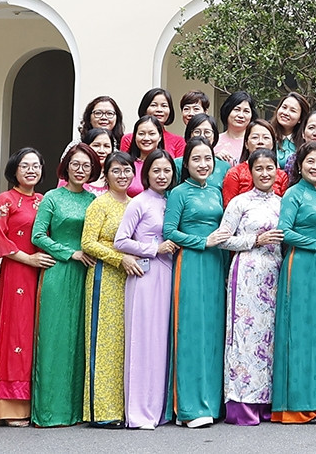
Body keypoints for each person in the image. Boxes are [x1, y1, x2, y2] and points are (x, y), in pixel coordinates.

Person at [217, 148, 286, 424]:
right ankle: (241, 405)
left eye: (270, 168)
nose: (265, 173)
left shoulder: (283, 203)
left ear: (277, 171)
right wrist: (253, 240)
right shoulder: (239, 203)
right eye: (259, 168)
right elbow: (221, 239)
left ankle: (267, 402)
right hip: (246, 275)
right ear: (250, 171)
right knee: (245, 339)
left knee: (269, 340)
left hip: (275, 275)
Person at [29, 145, 97, 427]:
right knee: (55, 338)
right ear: (65, 166)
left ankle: (75, 410)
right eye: (76, 164)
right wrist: (69, 252)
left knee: (80, 338)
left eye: (86, 166)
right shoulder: (52, 198)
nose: (80, 170)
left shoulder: (93, 200)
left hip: (87, 273)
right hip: (59, 272)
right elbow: (37, 235)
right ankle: (49, 411)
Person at [164, 139, 227, 428]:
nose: (203, 164)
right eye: (197, 159)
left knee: (212, 333)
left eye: (208, 159)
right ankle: (188, 408)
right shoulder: (178, 193)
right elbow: (169, 231)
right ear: (185, 163)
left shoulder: (215, 192)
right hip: (190, 264)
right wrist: (202, 241)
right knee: (190, 332)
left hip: (215, 265)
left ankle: (211, 403)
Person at [0, 149, 51, 425]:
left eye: (36, 166)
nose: (31, 170)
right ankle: (11, 406)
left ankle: (34, 401)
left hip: (43, 271)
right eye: (25, 165)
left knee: (37, 333)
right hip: (17, 272)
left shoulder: (43, 200)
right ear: (14, 169)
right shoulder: (6, 200)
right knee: (17, 334)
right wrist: (29, 258)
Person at [114, 149, 176, 429]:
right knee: (143, 342)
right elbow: (120, 241)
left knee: (162, 341)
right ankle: (139, 412)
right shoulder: (139, 202)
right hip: (145, 276)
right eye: (156, 171)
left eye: (167, 171)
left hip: (169, 274)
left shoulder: (171, 201)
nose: (162, 176)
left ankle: (160, 408)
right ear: (146, 173)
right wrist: (153, 248)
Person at [274, 142, 316, 423]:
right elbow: (283, 232)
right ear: (299, 165)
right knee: (298, 332)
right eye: (310, 161)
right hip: (300, 264)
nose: (315, 167)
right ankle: (295, 406)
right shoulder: (293, 193)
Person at [80, 150, 136, 426]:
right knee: (103, 343)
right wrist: (119, 258)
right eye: (116, 170)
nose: (122, 175)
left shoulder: (136, 204)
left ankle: (126, 407)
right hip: (105, 277)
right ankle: (102, 411)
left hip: (133, 279)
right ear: (106, 174)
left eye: (127, 170)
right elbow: (88, 242)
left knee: (125, 343)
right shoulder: (99, 204)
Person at [221, 121, 287, 202]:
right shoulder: (235, 173)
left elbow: (285, 206)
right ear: (246, 144)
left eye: (266, 138)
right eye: (255, 137)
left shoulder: (281, 175)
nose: (260, 142)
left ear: (273, 144)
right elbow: (229, 207)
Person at [137, 87, 182, 157]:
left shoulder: (178, 141)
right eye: (153, 105)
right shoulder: (129, 139)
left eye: (164, 106)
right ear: (144, 109)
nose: (159, 110)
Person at [217, 91, 257, 163]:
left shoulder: (256, 142)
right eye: (237, 110)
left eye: (246, 111)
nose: (241, 115)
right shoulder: (214, 141)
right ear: (227, 111)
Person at [273, 91, 309, 161]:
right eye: (284, 107)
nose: (285, 113)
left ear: (300, 119)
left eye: (293, 111)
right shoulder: (267, 135)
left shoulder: (305, 142)